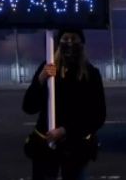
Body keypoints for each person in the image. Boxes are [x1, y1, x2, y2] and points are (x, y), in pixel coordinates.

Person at [22, 28, 106, 180]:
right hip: (45, 145)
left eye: (74, 39)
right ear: (58, 43)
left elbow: (98, 116)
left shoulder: (91, 74)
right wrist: (40, 80)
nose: (70, 43)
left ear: (82, 44)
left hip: (76, 148)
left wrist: (66, 130)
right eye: (66, 39)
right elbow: (29, 107)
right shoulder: (48, 69)